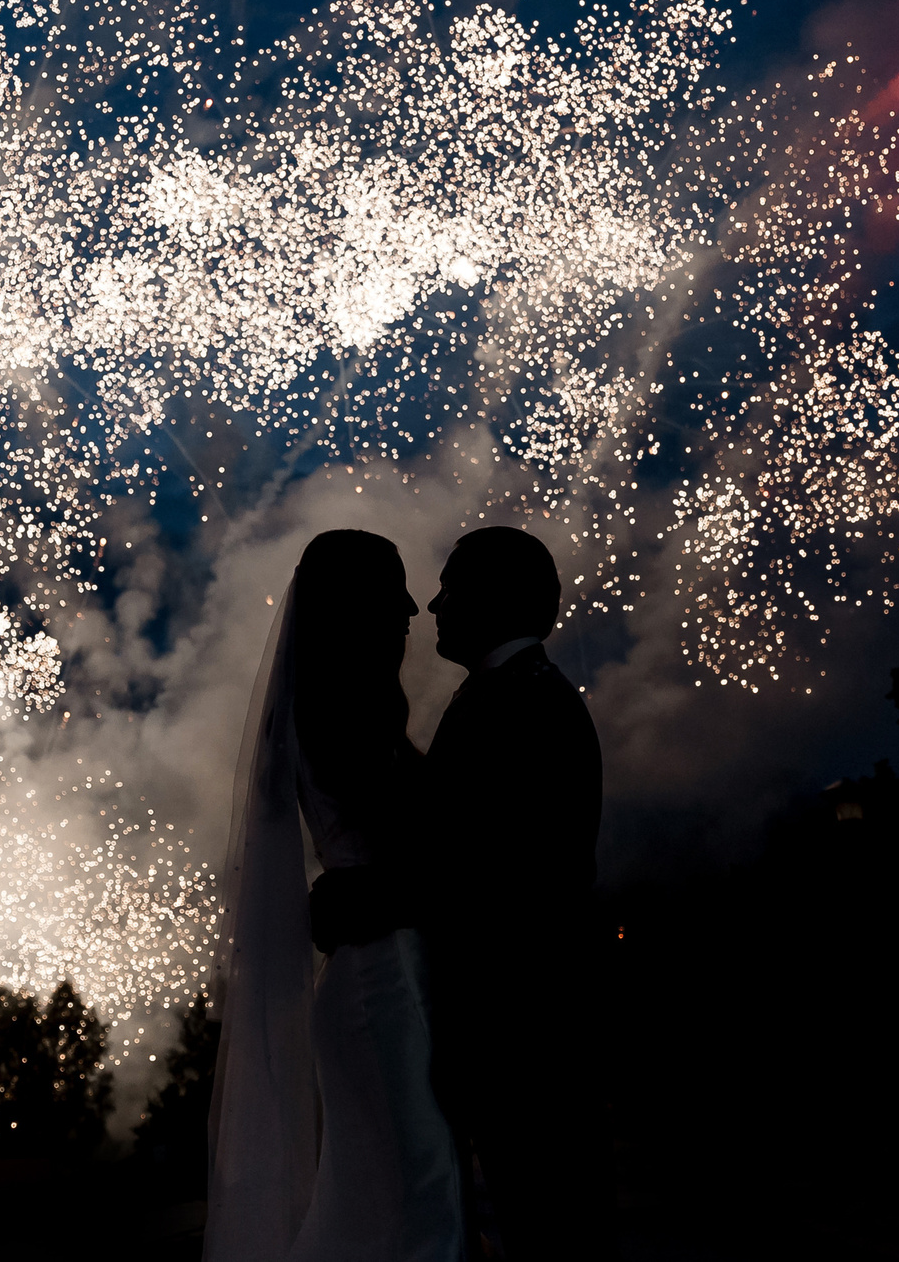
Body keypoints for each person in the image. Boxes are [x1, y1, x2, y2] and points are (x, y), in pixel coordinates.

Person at [206, 530, 463, 1262]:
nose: (412, 610)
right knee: (411, 1197)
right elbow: (413, 856)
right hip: (381, 979)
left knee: (391, 1194)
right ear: (357, 605)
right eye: (394, 592)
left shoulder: (335, 712)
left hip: (377, 971)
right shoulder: (345, 718)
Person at [420, 525, 603, 1257]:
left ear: (494, 599)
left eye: (452, 585)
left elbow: (497, 880)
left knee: (546, 1227)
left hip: (521, 1040)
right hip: (518, 1038)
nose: (434, 602)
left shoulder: (526, 708)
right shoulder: (513, 697)